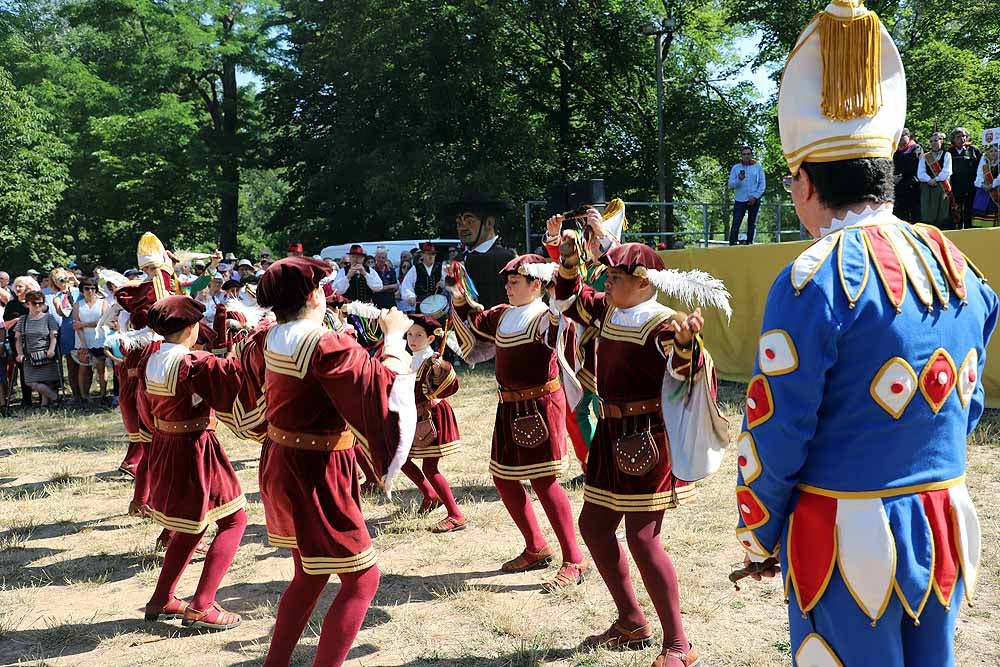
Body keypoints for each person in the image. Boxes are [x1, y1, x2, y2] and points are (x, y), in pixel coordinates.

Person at [738, 3, 997, 666]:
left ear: (802, 181)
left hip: (844, 538)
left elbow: (779, 428)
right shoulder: (956, 265)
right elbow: (963, 406)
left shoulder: (809, 279)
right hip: (941, 527)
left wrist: (760, 535)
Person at [555, 239, 725, 667]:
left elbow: (686, 373)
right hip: (610, 437)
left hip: (645, 441)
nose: (606, 284)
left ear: (643, 282)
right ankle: (631, 621)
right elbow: (566, 299)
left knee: (643, 539)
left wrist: (688, 343)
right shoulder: (607, 309)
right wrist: (568, 254)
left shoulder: (665, 325)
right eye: (607, 277)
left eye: (614, 278)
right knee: (593, 527)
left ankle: (679, 645)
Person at [249, 257, 415, 667]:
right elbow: (382, 386)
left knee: (309, 573)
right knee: (363, 578)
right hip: (316, 471)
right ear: (313, 293)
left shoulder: (272, 336)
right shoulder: (322, 342)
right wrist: (394, 337)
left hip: (282, 459)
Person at [448, 254, 589, 593]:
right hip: (508, 407)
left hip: (540, 406)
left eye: (515, 282)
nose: (508, 288)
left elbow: (560, 328)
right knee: (504, 477)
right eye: (507, 283)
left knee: (543, 480)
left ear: (536, 284)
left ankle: (574, 558)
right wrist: (458, 296)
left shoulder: (544, 317)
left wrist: (561, 294)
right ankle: (536, 546)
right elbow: (476, 320)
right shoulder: (503, 314)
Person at [135, 295, 248, 630]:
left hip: (165, 444)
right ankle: (202, 606)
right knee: (234, 521)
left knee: (189, 526)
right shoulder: (193, 362)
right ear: (191, 327)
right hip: (196, 447)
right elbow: (232, 389)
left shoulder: (150, 356)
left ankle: (162, 598)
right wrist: (238, 349)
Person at [543, 200, 626, 474]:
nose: (587, 244)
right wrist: (555, 237)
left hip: (611, 349)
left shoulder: (615, 268)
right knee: (580, 410)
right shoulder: (589, 269)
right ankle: (594, 465)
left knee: (607, 410)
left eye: (592, 238)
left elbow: (616, 263)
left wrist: (602, 235)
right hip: (584, 349)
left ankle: (607, 465)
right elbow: (566, 275)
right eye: (588, 238)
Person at [399, 314, 466, 532]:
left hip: (432, 419)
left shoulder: (433, 360)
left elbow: (451, 384)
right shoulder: (410, 359)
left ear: (430, 339)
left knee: (430, 466)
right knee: (398, 457)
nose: (413, 338)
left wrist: (441, 370)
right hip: (413, 418)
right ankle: (430, 494)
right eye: (410, 334)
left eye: (419, 335)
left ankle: (455, 514)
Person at [442, 190, 517, 309]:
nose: (462, 228)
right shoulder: (458, 260)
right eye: (459, 223)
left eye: (469, 221)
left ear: (489, 223)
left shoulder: (507, 259)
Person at [14, 290, 60, 406]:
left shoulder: (49, 318)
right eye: (34, 303)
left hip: (46, 353)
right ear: (27, 304)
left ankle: (45, 404)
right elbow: (18, 338)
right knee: (31, 382)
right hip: (29, 356)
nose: (38, 305)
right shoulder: (23, 320)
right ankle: (54, 397)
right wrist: (19, 354)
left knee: (47, 380)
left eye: (40, 303)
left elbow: (53, 335)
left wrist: (51, 350)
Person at [72, 278, 109, 404]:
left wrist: (83, 324)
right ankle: (84, 397)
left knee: (101, 367)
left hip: (99, 339)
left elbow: (103, 322)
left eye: (93, 288)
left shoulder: (103, 303)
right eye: (87, 288)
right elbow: (76, 325)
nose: (90, 291)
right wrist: (83, 343)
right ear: (82, 290)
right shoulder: (77, 305)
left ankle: (103, 395)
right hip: (82, 340)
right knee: (83, 368)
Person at [47, 268, 81, 402]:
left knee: (86, 363)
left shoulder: (79, 291)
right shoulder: (57, 298)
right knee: (72, 364)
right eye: (58, 280)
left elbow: (97, 295)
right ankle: (76, 394)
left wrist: (76, 282)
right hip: (68, 330)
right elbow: (62, 312)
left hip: (83, 327)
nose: (62, 282)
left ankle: (86, 393)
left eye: (64, 278)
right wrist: (65, 296)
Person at [727, 146, 766, 245]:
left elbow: (762, 184)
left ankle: (749, 243)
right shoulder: (736, 167)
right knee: (736, 222)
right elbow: (731, 184)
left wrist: (755, 196)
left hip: (754, 199)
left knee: (752, 223)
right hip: (740, 200)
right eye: (744, 154)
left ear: (751, 155)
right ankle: (732, 244)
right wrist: (739, 179)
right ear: (741, 156)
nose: (746, 156)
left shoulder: (758, 167)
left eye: (748, 154)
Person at [917, 132, 953, 227]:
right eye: (931, 141)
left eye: (936, 140)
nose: (933, 143)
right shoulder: (925, 156)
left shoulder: (947, 155)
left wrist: (936, 179)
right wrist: (929, 180)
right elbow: (920, 173)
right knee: (927, 211)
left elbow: (947, 171)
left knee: (942, 211)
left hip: (941, 186)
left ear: (941, 141)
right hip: (927, 186)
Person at [948, 127, 982, 229]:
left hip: (970, 187)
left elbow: (981, 167)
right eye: (959, 136)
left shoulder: (974, 150)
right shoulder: (949, 152)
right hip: (955, 188)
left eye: (964, 136)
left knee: (969, 213)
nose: (962, 139)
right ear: (953, 139)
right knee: (955, 213)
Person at [892, 128, 923, 222]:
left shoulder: (915, 148)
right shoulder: (895, 151)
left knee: (914, 213)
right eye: (898, 136)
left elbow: (914, 165)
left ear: (908, 136)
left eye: (902, 136)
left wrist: (901, 175)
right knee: (900, 214)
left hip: (913, 185)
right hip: (899, 187)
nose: (900, 139)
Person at [400, 242, 443, 309]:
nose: (431, 256)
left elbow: (451, 284)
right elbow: (406, 285)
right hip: (421, 305)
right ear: (422, 255)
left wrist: (445, 284)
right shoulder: (415, 269)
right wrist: (410, 296)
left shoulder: (441, 267)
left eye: (433, 254)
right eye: (428, 254)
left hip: (438, 305)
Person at [971, 144, 1000, 227]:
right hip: (984, 191)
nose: (993, 153)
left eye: (996, 151)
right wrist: (982, 185)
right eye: (991, 151)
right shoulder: (984, 162)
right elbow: (979, 175)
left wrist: (992, 185)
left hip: (997, 190)